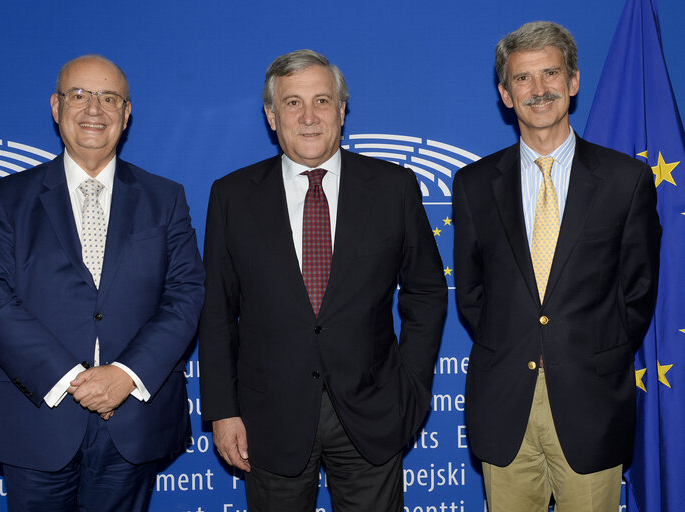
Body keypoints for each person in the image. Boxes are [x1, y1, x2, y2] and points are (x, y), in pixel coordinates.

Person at [199, 49, 447, 511]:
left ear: (341, 109)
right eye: (293, 103)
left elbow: (427, 292)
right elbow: (216, 311)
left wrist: (411, 389)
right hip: (268, 418)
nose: (309, 117)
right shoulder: (231, 196)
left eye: (322, 101)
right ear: (272, 116)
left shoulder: (394, 187)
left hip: (373, 412)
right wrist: (222, 409)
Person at [0, 55, 205, 511]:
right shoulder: (7, 198)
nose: (94, 109)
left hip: (132, 419)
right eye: (79, 95)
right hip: (38, 417)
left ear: (126, 113)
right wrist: (73, 380)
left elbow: (185, 295)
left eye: (109, 98)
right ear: (56, 107)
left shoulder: (165, 198)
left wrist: (123, 375)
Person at [453, 21, 661, 511]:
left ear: (573, 82)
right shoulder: (474, 184)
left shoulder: (624, 180)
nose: (539, 89)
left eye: (551, 73)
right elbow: (472, 293)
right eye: (523, 78)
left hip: (591, 402)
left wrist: (589, 351)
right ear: (506, 94)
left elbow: (639, 291)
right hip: (505, 405)